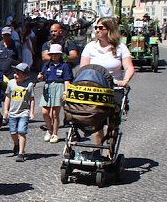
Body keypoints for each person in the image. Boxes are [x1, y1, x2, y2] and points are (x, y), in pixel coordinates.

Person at [80, 17, 135, 147]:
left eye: (101, 28)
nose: (97, 30)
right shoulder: (90, 47)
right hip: (94, 87)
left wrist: (125, 80)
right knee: (96, 122)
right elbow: (83, 68)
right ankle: (97, 150)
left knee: (111, 123)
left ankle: (109, 150)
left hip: (114, 88)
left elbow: (129, 67)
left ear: (109, 29)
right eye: (96, 28)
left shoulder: (120, 47)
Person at [38, 44, 73, 143]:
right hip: (48, 87)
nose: (53, 56)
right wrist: (40, 77)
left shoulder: (65, 66)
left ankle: (55, 133)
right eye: (52, 54)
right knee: (45, 111)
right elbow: (43, 75)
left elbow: (67, 80)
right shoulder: (47, 65)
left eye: (56, 54)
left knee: (54, 113)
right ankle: (49, 129)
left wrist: (66, 92)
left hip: (59, 86)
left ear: (60, 55)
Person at [3, 63, 35, 162]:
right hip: (13, 112)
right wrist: (6, 110)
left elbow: (32, 99)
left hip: (23, 112)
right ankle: (16, 144)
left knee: (21, 132)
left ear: (25, 76)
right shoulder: (11, 83)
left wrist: (31, 112)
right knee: (13, 132)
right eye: (15, 72)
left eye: (18, 73)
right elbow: (8, 97)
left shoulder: (29, 85)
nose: (15, 75)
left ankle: (21, 153)